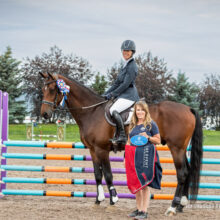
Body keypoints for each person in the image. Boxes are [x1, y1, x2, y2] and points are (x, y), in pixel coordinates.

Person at [125, 101, 162, 219]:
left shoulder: (151, 124)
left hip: (146, 157)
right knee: (137, 184)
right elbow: (128, 143)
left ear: (146, 111)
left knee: (144, 185)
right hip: (134, 159)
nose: (139, 112)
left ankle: (144, 211)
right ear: (135, 112)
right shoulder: (132, 125)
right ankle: (138, 209)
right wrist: (125, 157)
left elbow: (158, 140)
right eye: (137, 110)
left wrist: (148, 137)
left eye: (142, 110)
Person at [103, 40, 139, 147]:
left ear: (132, 52)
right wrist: (106, 94)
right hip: (123, 95)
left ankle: (122, 136)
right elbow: (117, 83)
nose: (125, 53)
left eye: (128, 51)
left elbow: (125, 84)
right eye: (124, 51)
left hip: (129, 96)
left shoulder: (132, 66)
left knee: (114, 110)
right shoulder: (125, 65)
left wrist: (113, 94)